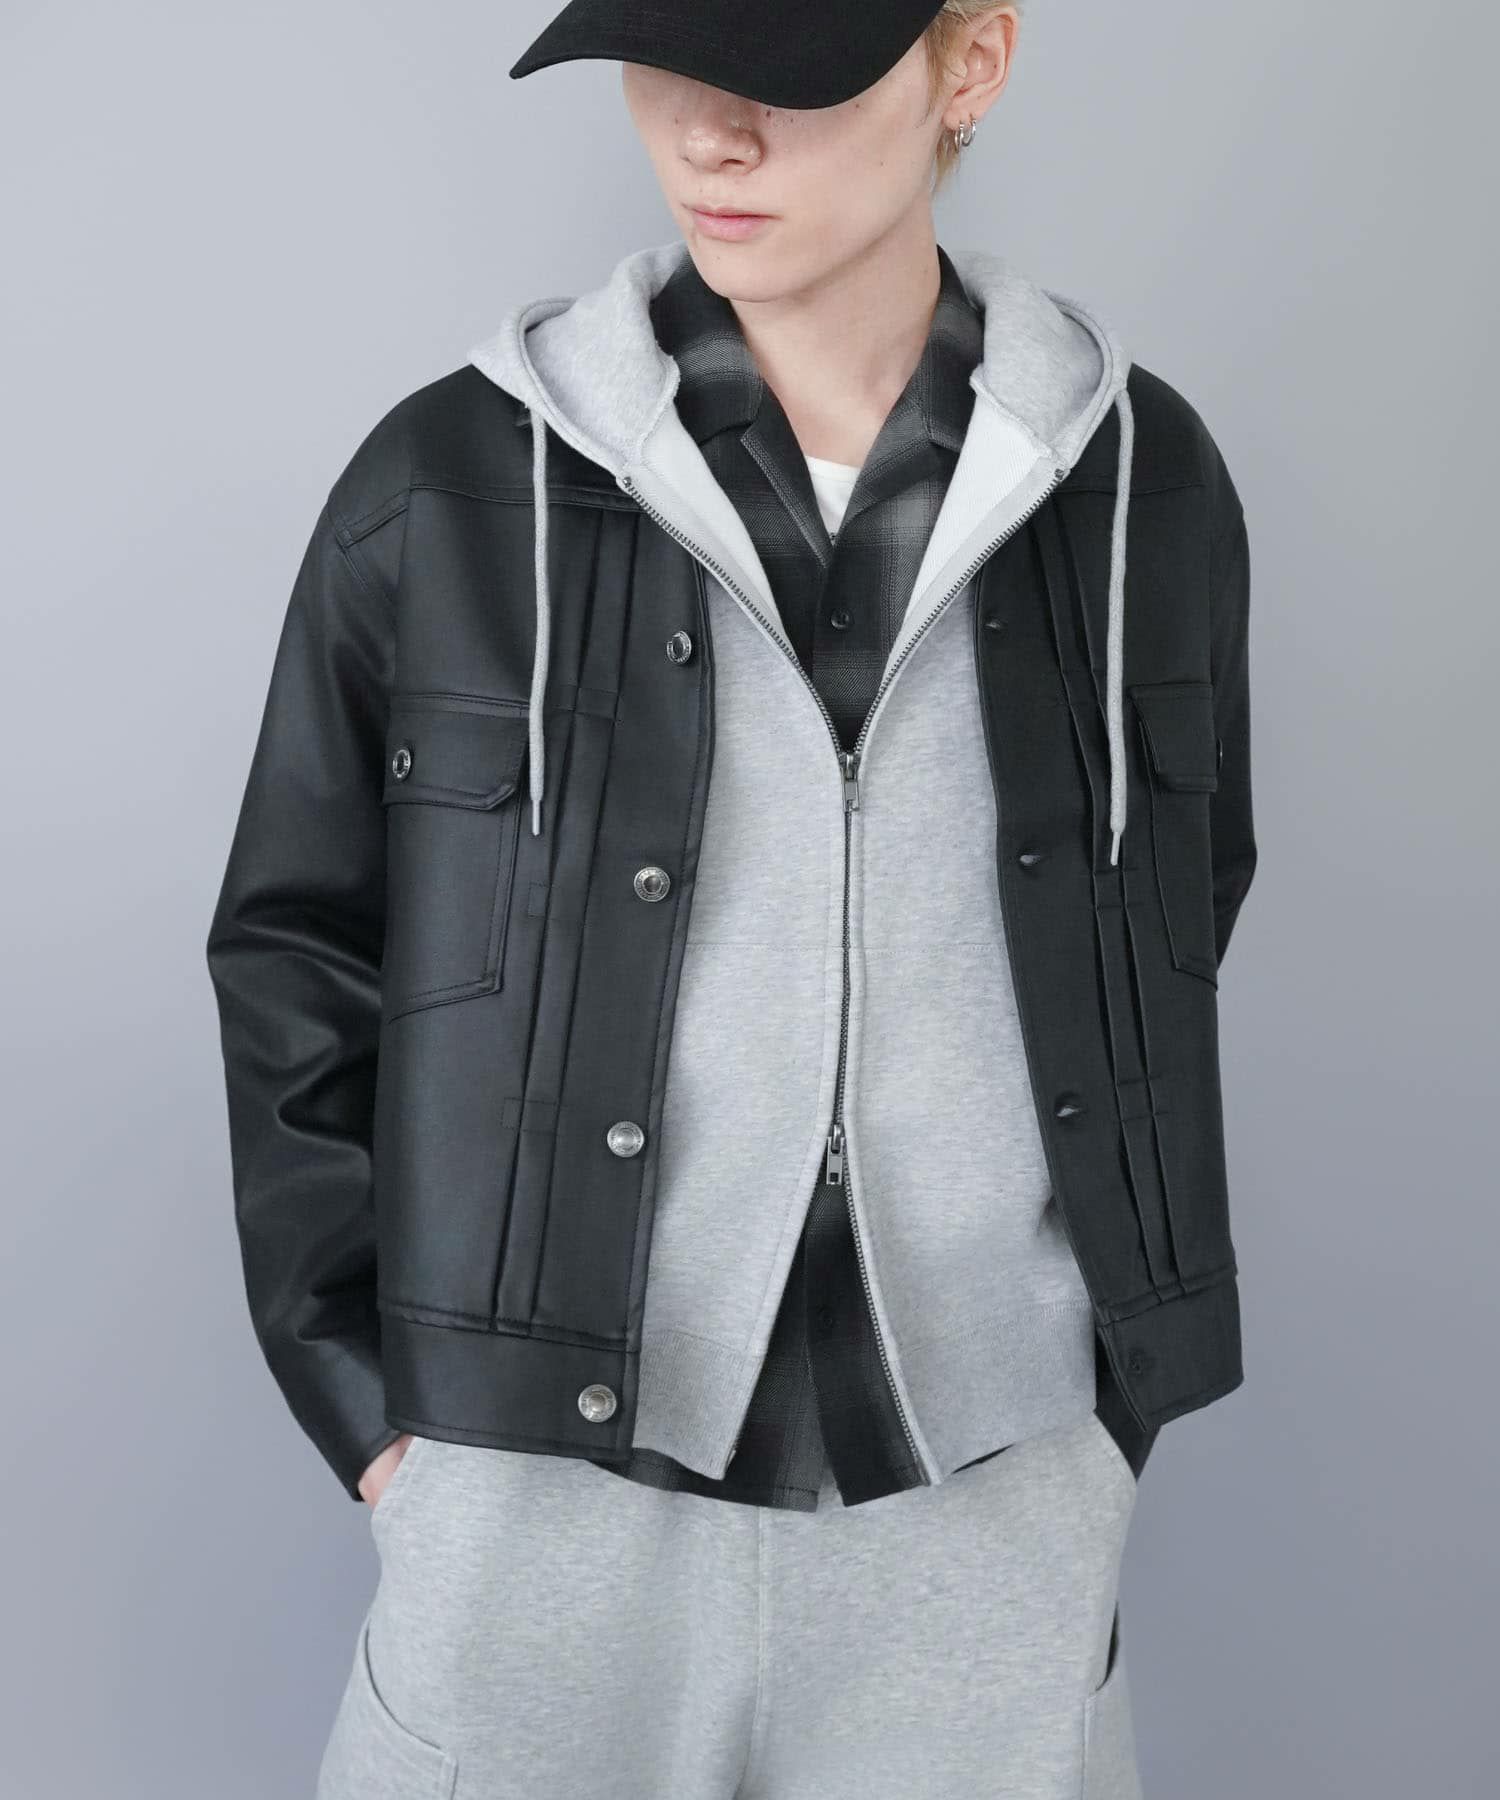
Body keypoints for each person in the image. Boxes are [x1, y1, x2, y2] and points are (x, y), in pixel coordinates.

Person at [204, 3, 1257, 1794]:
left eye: (787, 67)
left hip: (989, 1505)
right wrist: (383, 1425)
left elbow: (1175, 909)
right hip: (534, 1497)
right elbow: (298, 943)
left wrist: (1093, 1414)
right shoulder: (452, 481)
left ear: (970, 65)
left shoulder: (1141, 487)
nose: (708, 131)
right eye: (663, 56)